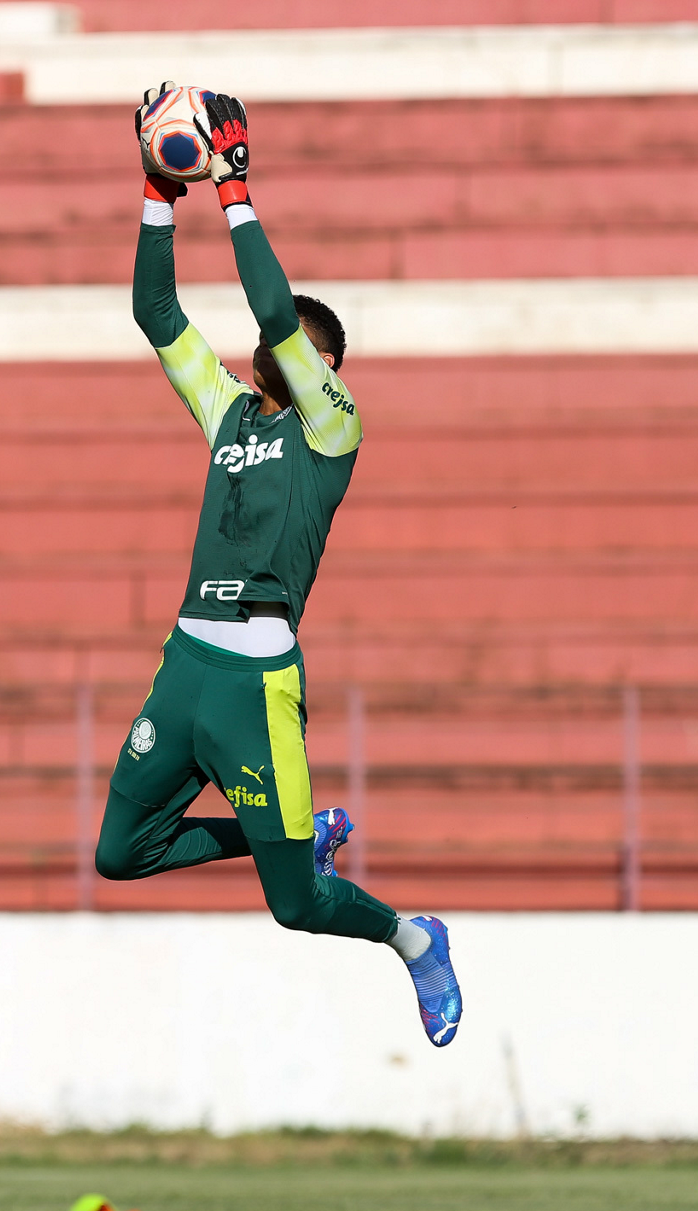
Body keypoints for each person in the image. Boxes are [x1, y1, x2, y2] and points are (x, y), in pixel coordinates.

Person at [95, 86, 462, 1047]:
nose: (271, 340)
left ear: (325, 365)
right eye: (275, 340)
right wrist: (157, 194)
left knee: (295, 906)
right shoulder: (228, 411)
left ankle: (412, 939)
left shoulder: (332, 427)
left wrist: (234, 190)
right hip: (186, 666)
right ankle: (296, 837)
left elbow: (270, 307)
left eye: (296, 342)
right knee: (120, 854)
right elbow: (154, 311)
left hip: (257, 683)